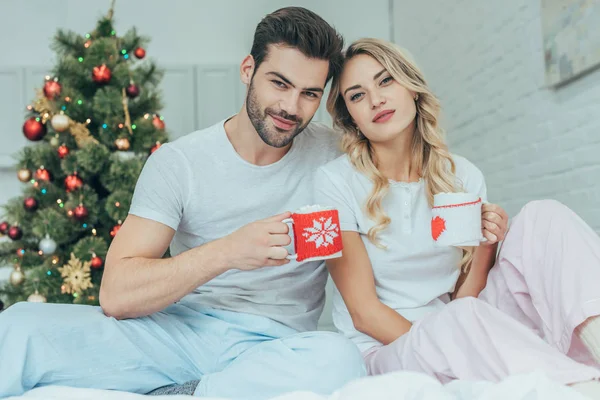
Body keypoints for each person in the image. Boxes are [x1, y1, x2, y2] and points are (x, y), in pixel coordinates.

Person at [0, 8, 367, 399]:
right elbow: (117, 294)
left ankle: (187, 393)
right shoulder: (180, 163)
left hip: (272, 346)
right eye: (279, 83)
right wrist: (229, 251)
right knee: (20, 326)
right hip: (173, 337)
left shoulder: (338, 157)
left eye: (309, 93)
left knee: (340, 358)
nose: (291, 107)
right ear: (248, 70)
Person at [313, 37, 600, 397]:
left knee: (544, 217)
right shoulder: (335, 183)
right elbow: (364, 313)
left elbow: (467, 298)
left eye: (386, 80)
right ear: (349, 116)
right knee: (459, 321)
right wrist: (451, 336)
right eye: (357, 95)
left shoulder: (462, 175)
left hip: (463, 323)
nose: (376, 100)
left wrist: (486, 244)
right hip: (389, 347)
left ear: (412, 88)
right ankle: (580, 386)